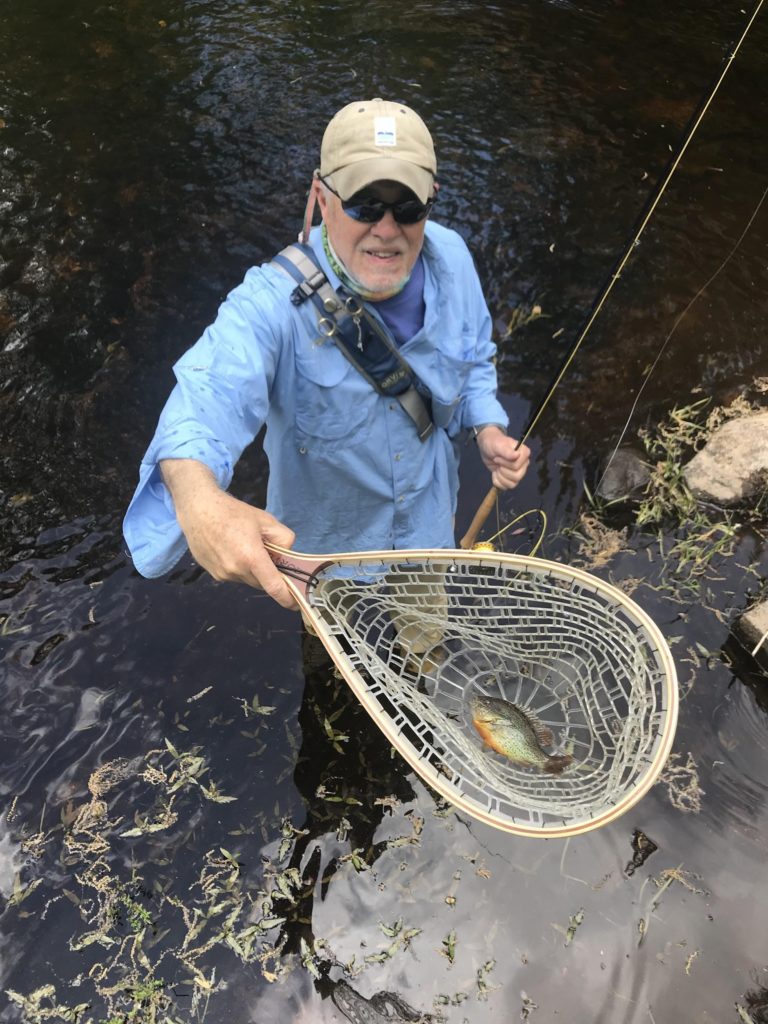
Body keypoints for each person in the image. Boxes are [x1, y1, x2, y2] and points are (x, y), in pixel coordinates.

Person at [123, 98, 530, 610]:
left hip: (428, 531)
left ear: (432, 201)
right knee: (329, 657)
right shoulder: (269, 305)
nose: (386, 229)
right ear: (322, 197)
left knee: (426, 637)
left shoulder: (451, 254)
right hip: (328, 563)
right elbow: (204, 399)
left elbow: (474, 355)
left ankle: (424, 655)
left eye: (408, 208)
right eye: (364, 205)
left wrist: (486, 426)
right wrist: (197, 496)